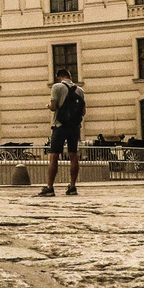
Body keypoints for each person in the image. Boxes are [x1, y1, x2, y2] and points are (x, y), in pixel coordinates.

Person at [38, 67, 86, 197]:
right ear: (70, 76)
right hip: (75, 127)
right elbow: (83, 112)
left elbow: (53, 107)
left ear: (59, 77)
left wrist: (48, 106)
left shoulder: (57, 87)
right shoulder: (80, 90)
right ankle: (72, 186)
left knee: (54, 156)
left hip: (60, 125)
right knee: (73, 156)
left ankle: (50, 187)